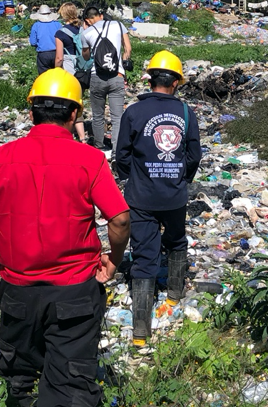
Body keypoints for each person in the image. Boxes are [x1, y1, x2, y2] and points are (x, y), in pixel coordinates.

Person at [0, 69, 130, 407]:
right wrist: (113, 261)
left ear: (31, 112)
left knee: (21, 380)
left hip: (18, 290)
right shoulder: (90, 160)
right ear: (74, 113)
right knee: (70, 389)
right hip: (75, 292)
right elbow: (120, 219)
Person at [114, 51, 201, 347]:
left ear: (150, 78)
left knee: (143, 258)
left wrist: (134, 175)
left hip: (141, 198)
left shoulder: (133, 113)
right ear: (176, 82)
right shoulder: (187, 114)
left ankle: (140, 333)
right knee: (176, 241)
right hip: (174, 197)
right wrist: (180, 179)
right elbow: (193, 156)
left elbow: (122, 156)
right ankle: (175, 295)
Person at [80, 6, 131, 155]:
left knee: (98, 115)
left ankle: (99, 146)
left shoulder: (86, 32)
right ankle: (116, 150)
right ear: (100, 15)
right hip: (117, 76)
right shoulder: (118, 25)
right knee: (117, 116)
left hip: (97, 77)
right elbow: (128, 48)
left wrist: (85, 32)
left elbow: (86, 56)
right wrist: (123, 63)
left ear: (87, 20)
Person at [54, 2, 87, 142]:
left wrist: (56, 72)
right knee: (79, 101)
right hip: (84, 70)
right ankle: (83, 137)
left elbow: (59, 57)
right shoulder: (83, 29)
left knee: (68, 103)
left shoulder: (60, 33)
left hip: (69, 72)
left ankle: (76, 135)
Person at [28, 5, 62, 74]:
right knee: (58, 75)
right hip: (57, 52)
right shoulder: (58, 24)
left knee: (44, 77)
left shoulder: (36, 25)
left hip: (43, 54)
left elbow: (33, 42)